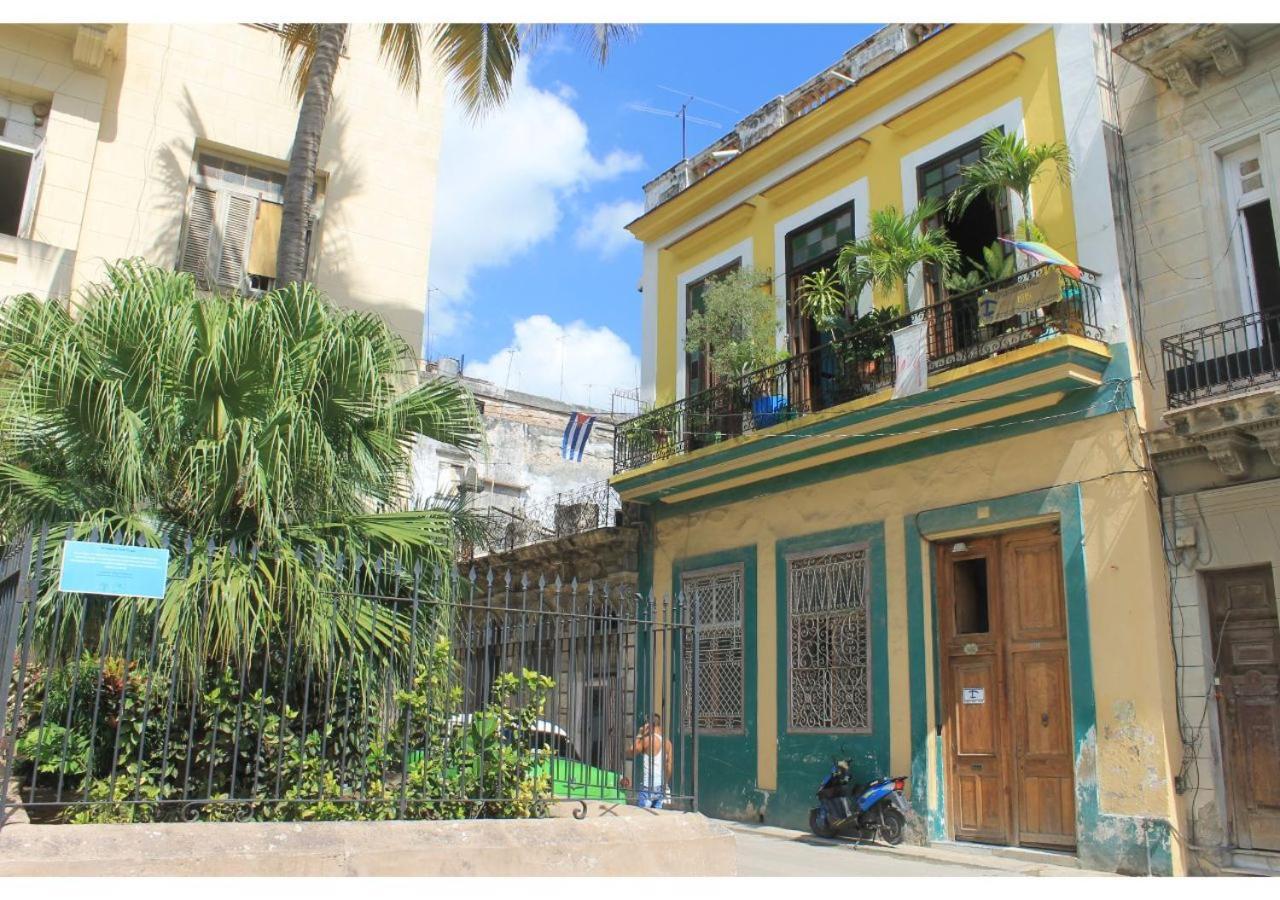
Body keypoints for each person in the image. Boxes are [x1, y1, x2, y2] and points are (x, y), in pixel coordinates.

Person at [624, 713, 672, 809]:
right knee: (656, 816)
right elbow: (669, 766)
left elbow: (631, 752)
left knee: (642, 816)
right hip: (660, 787)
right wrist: (665, 783)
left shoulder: (647, 740)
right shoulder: (667, 743)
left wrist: (640, 734)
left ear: (648, 725)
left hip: (647, 787)